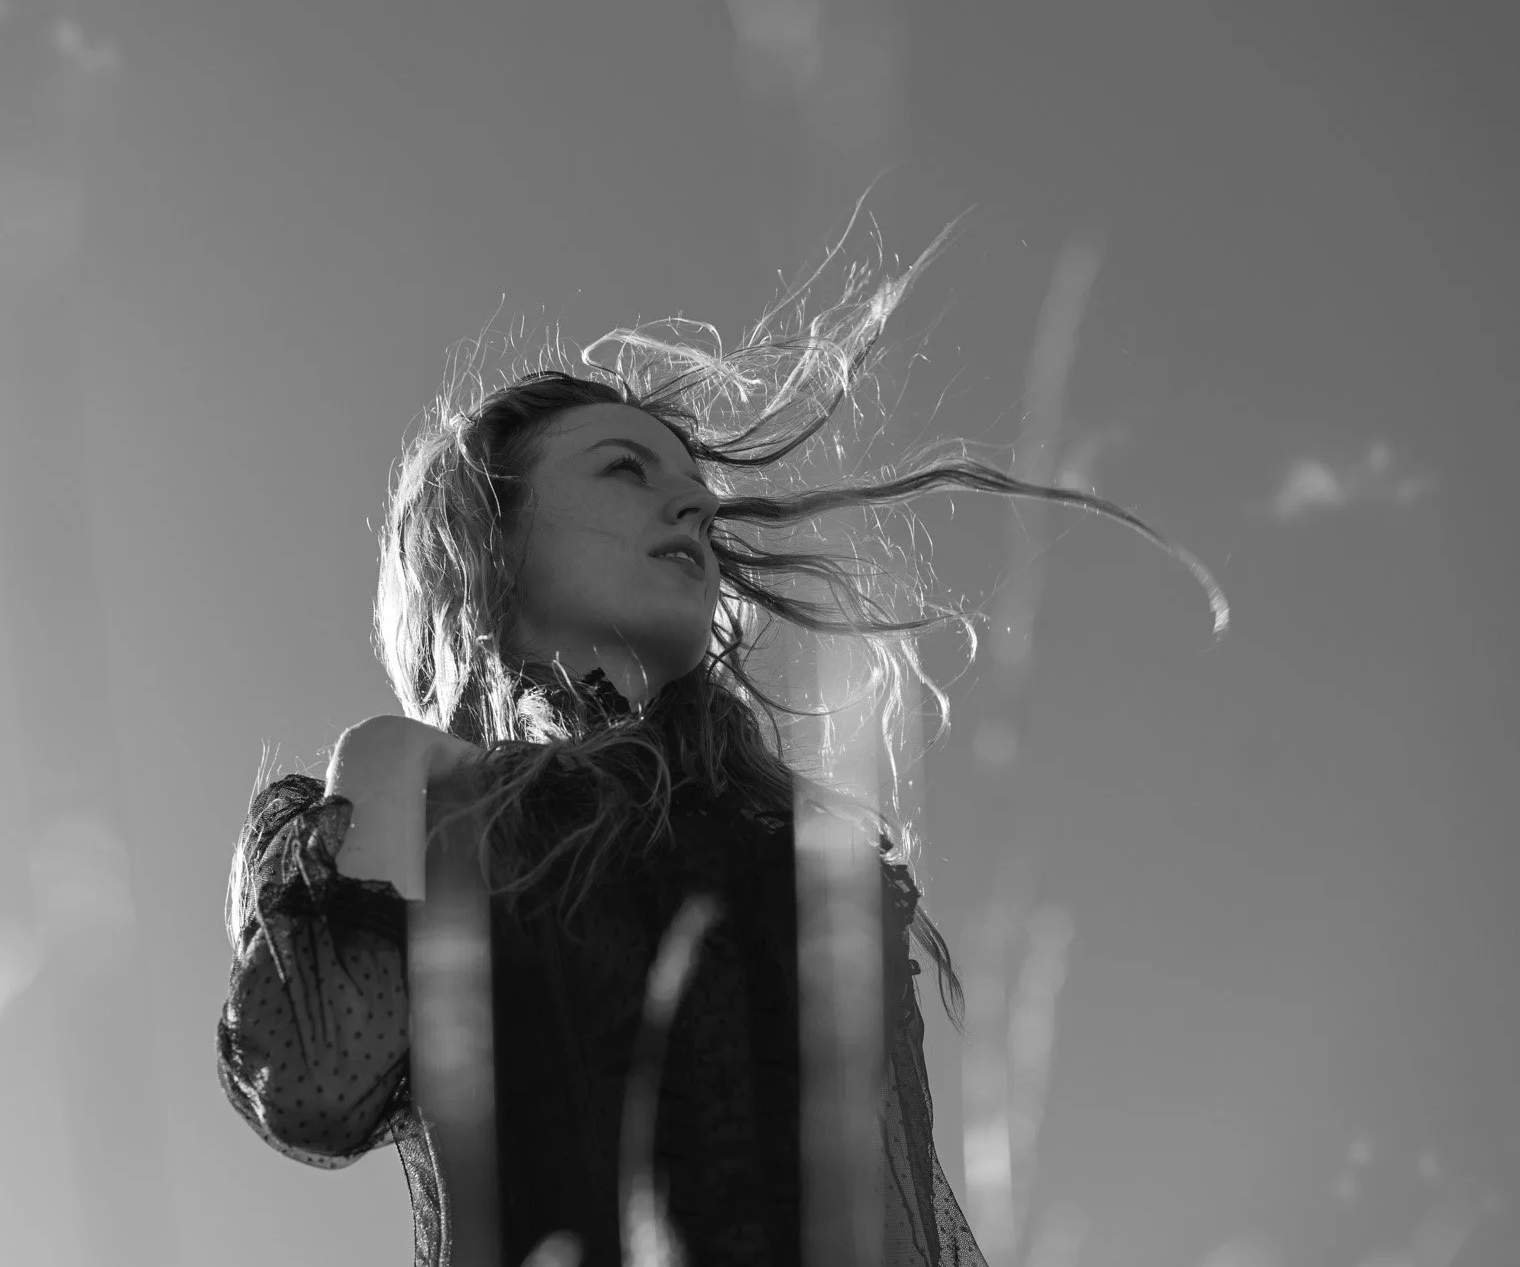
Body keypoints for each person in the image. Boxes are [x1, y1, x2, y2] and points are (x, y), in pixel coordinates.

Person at [215, 232, 1225, 1266]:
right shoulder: (420, 804)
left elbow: (901, 1210)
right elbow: (316, 1084)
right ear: (490, 540)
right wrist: (383, 763)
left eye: (689, 481)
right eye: (624, 470)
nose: (693, 500)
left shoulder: (797, 846)